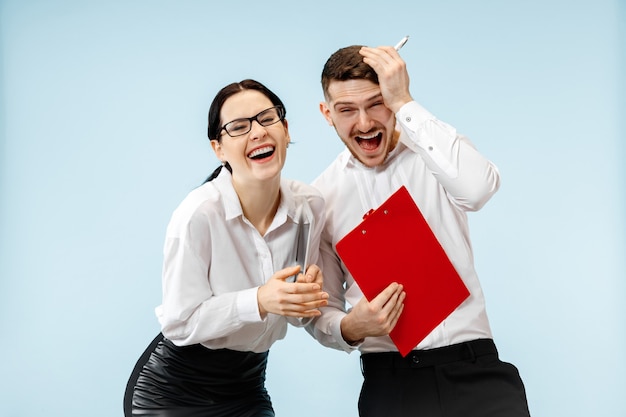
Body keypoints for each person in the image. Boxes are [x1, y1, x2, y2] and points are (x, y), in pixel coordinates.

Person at [307, 44, 531, 417]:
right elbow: (324, 310)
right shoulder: (320, 199)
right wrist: (348, 326)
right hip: (391, 385)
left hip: (476, 370)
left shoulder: (434, 151)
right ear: (326, 114)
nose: (364, 123)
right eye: (347, 110)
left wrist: (405, 102)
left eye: (376, 103)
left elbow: (478, 190)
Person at [124, 79, 328, 417]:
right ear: (218, 149)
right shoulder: (198, 214)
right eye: (238, 127)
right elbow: (179, 323)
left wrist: (306, 300)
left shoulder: (309, 207)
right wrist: (259, 299)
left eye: (266, 119)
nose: (258, 132)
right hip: (175, 391)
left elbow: (295, 316)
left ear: (286, 129)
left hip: (247, 386)